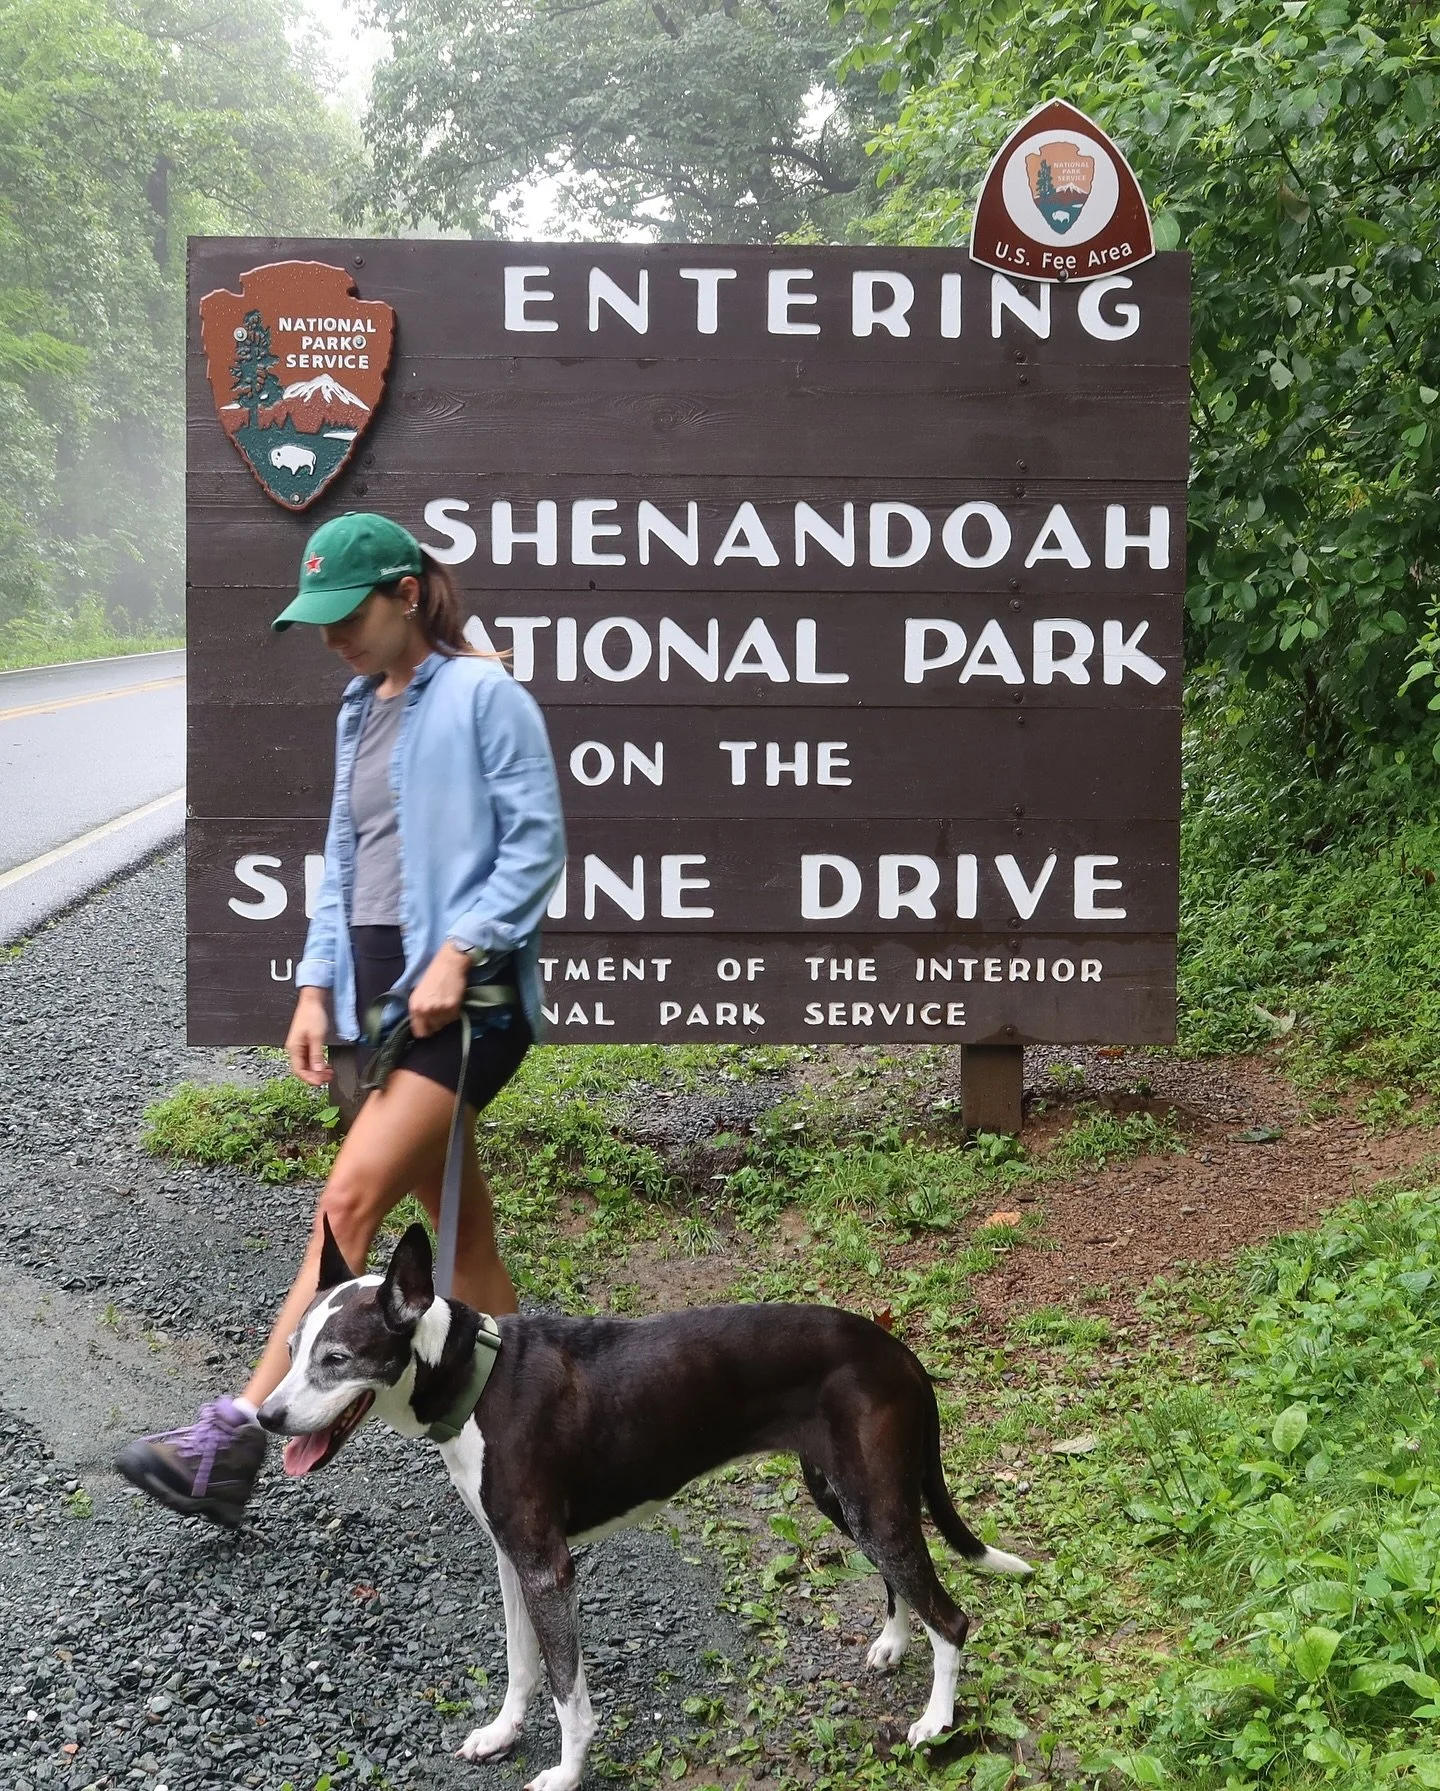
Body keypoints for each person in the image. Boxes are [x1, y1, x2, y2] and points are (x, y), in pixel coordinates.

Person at [116, 512, 566, 1527]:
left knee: (349, 1202)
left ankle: (227, 1443)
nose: (331, 638)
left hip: (466, 1007)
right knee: (466, 1236)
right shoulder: (360, 708)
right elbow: (344, 857)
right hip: (375, 1006)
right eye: (316, 621)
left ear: (407, 593)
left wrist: (460, 950)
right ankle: (538, 1424)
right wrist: (318, 987)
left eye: (347, 614)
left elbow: (535, 847)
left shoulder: (486, 696)